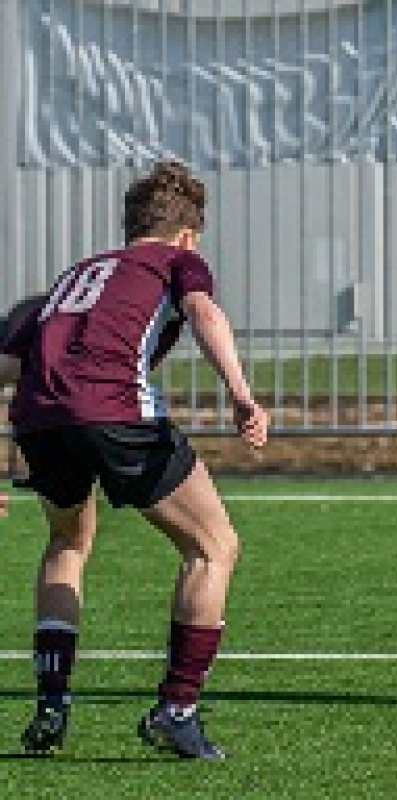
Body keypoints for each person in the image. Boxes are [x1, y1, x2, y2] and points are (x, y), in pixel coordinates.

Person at [0, 161, 269, 757]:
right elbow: (204, 313)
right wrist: (240, 391)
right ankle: (177, 708)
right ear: (188, 234)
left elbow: (8, 364)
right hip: (114, 412)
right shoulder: (178, 261)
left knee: (67, 542)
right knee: (213, 546)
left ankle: (51, 700)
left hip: (40, 418)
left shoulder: (78, 274)